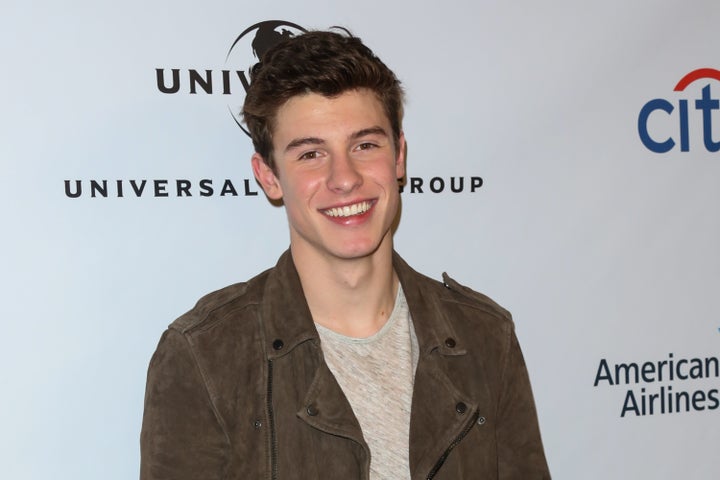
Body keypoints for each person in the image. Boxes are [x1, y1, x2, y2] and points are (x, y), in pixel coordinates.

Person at [140, 30, 550, 480]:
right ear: (269, 176)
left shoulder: (486, 335)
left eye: (365, 146)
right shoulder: (204, 355)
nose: (345, 177)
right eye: (311, 154)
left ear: (399, 158)